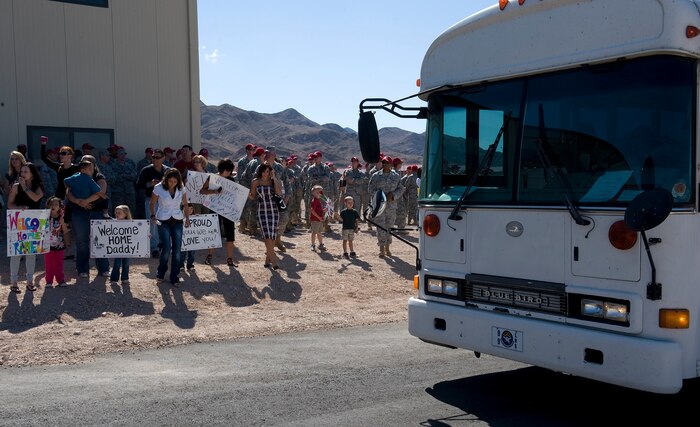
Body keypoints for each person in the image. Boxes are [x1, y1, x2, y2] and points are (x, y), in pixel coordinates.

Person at [64, 160, 111, 278]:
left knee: (99, 240)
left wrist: (85, 201)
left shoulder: (99, 177)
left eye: (91, 166)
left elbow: (101, 191)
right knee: (81, 241)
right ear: (83, 168)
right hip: (79, 212)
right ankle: (82, 269)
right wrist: (78, 202)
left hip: (96, 212)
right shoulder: (77, 176)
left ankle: (103, 268)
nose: (90, 169)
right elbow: (68, 191)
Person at [7, 163, 45, 293]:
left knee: (31, 253)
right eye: (21, 172)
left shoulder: (37, 186)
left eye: (26, 172)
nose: (22, 174)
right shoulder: (16, 187)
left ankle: (30, 281)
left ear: (32, 174)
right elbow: (10, 204)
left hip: (33, 223)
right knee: (16, 254)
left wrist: (25, 187)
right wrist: (18, 208)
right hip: (18, 222)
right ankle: (14, 282)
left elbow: (36, 198)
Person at [150, 168, 190, 287]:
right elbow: (152, 203)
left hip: (177, 220)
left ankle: (174, 276)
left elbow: (186, 204)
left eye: (175, 181)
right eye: (170, 181)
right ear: (166, 179)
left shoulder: (181, 188)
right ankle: (161, 273)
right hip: (163, 220)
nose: (172, 183)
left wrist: (187, 218)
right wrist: (152, 215)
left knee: (177, 251)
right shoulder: (158, 187)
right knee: (166, 249)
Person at [200, 158, 238, 267]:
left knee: (230, 234)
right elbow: (202, 190)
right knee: (213, 233)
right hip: (215, 208)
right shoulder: (212, 178)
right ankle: (210, 256)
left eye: (230, 170)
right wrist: (214, 191)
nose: (228, 173)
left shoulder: (231, 180)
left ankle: (230, 259)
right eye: (226, 170)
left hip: (228, 210)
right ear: (221, 169)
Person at [368, 155, 406, 257]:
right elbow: (370, 189)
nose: (384, 165)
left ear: (390, 165)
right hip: (379, 207)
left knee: (389, 227)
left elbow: (401, 189)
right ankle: (381, 248)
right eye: (383, 163)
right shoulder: (375, 176)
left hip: (391, 207)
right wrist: (379, 195)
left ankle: (387, 248)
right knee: (380, 227)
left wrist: (393, 195)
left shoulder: (396, 176)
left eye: (386, 163)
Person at [248, 163, 282, 269]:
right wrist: (247, 194)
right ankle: (274, 261)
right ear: (260, 171)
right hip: (262, 210)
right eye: (263, 171)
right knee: (266, 235)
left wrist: (274, 178)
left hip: (273, 210)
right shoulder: (255, 182)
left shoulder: (273, 182)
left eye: (267, 171)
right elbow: (253, 197)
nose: (265, 174)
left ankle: (268, 259)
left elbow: (279, 193)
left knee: (272, 235)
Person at [137, 148, 170, 258]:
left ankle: (164, 245)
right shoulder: (146, 170)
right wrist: (149, 184)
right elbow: (138, 185)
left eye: (157, 157)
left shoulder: (168, 171)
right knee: (153, 224)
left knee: (166, 223)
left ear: (163, 158)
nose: (155, 159)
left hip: (166, 201)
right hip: (151, 200)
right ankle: (154, 248)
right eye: (153, 157)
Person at [44, 196, 69, 288]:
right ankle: (49, 281)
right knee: (49, 264)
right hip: (47, 245)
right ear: (48, 206)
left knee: (59, 263)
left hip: (59, 244)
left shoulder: (62, 217)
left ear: (59, 206)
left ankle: (61, 280)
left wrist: (62, 223)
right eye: (51, 204)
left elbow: (66, 231)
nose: (53, 206)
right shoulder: (45, 217)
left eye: (55, 204)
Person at [110, 205, 133, 285]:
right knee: (117, 263)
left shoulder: (132, 224)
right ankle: (114, 279)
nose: (117, 214)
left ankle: (125, 278)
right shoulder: (112, 222)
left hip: (127, 247)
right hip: (117, 248)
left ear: (125, 214)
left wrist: (147, 235)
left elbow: (138, 233)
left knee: (126, 263)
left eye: (119, 213)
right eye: (116, 212)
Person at [308, 184, 327, 252]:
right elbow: (312, 210)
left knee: (319, 232)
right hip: (315, 220)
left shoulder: (318, 200)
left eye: (321, 192)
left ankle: (321, 244)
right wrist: (319, 217)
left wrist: (324, 210)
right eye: (318, 192)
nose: (320, 194)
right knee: (314, 232)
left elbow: (318, 210)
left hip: (319, 219)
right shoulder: (315, 200)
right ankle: (313, 245)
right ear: (314, 193)